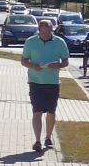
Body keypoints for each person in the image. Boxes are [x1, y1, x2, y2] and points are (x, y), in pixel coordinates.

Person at [20, 17, 69, 153]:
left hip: (52, 82)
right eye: (43, 32)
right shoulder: (30, 42)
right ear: (39, 30)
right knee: (37, 111)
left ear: (52, 30)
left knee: (51, 112)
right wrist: (33, 66)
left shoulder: (59, 42)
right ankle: (37, 141)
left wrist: (57, 65)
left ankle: (48, 137)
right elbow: (23, 60)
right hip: (35, 81)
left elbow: (65, 61)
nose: (46, 34)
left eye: (49, 31)